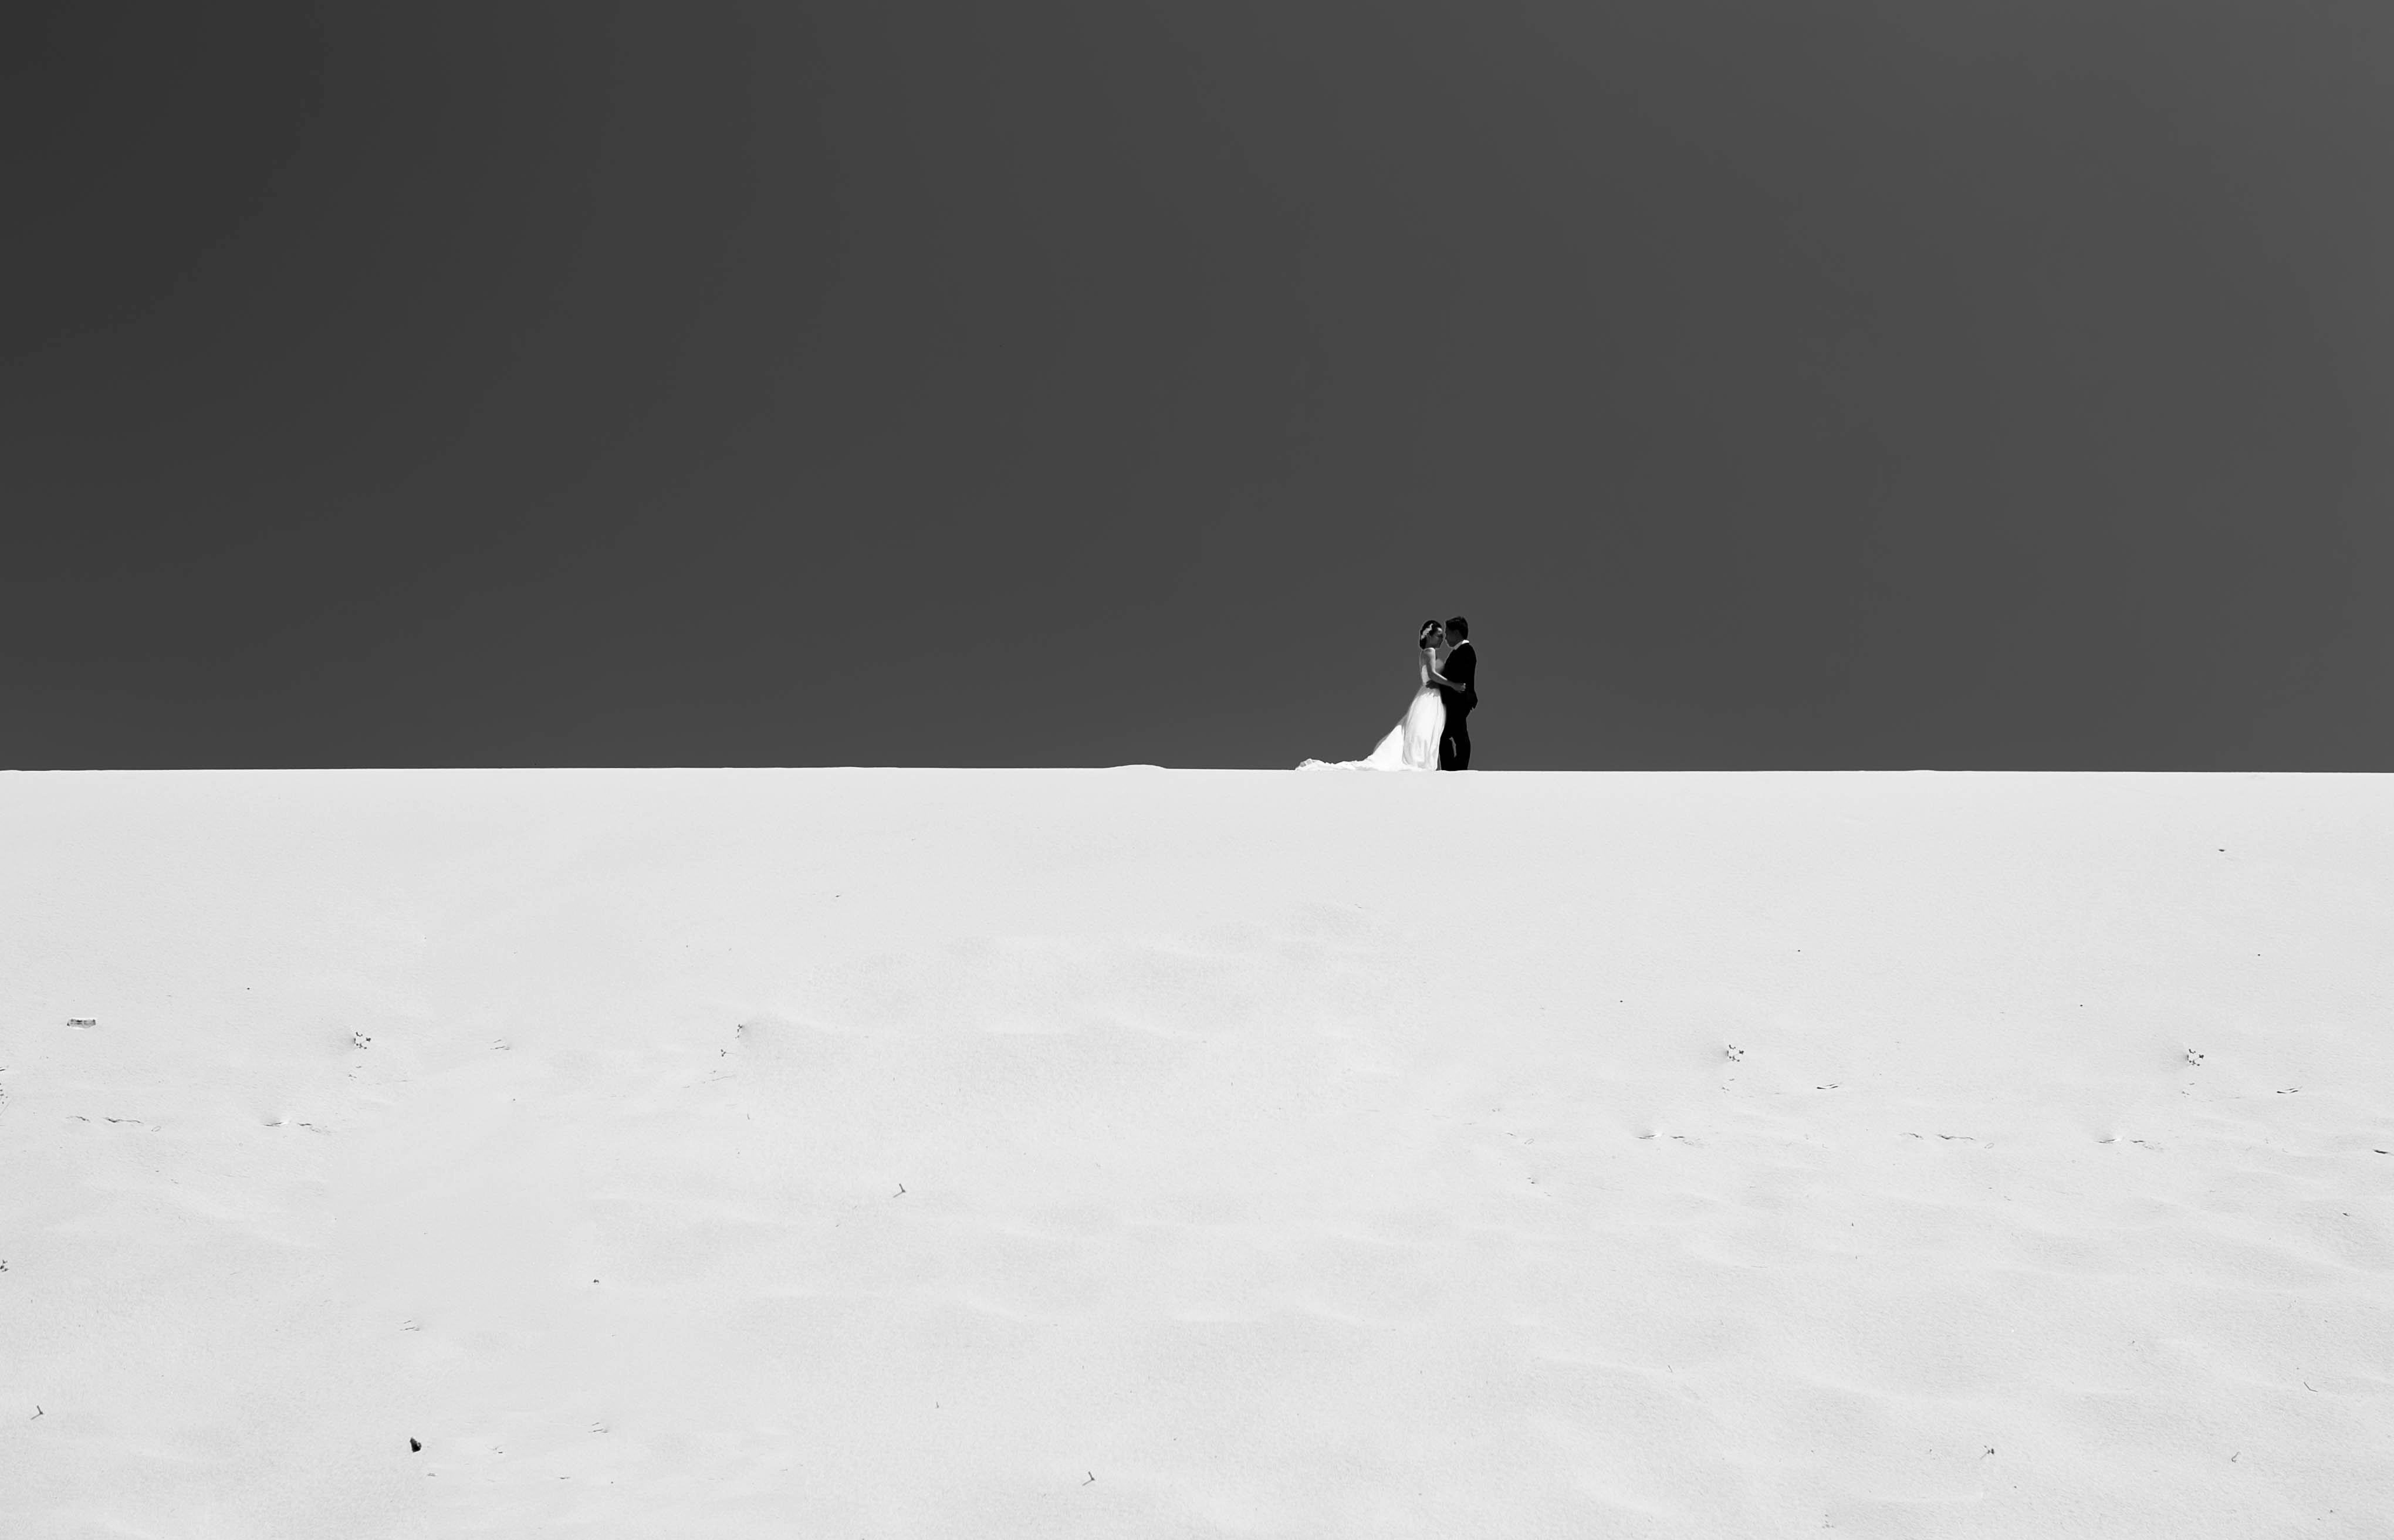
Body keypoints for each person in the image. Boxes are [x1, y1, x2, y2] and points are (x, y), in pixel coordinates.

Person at [1296, 620, 1448, 771]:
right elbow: (1432, 675)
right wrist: (1452, 684)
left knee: (1422, 728)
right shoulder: (1430, 652)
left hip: (1428, 694)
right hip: (1430, 695)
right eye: (1439, 636)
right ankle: (1420, 761)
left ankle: (1421, 759)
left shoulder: (1425, 653)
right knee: (1424, 728)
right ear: (1429, 636)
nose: (1441, 639)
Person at [1423, 614, 1475, 769]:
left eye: (1448, 633)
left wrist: (1445, 682)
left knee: (1455, 735)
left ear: (1457, 633)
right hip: (1455, 700)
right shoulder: (1457, 651)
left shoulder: (1466, 651)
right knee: (1454, 734)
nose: (1445, 638)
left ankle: (1455, 768)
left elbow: (1459, 675)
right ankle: (1452, 768)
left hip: (1460, 699)